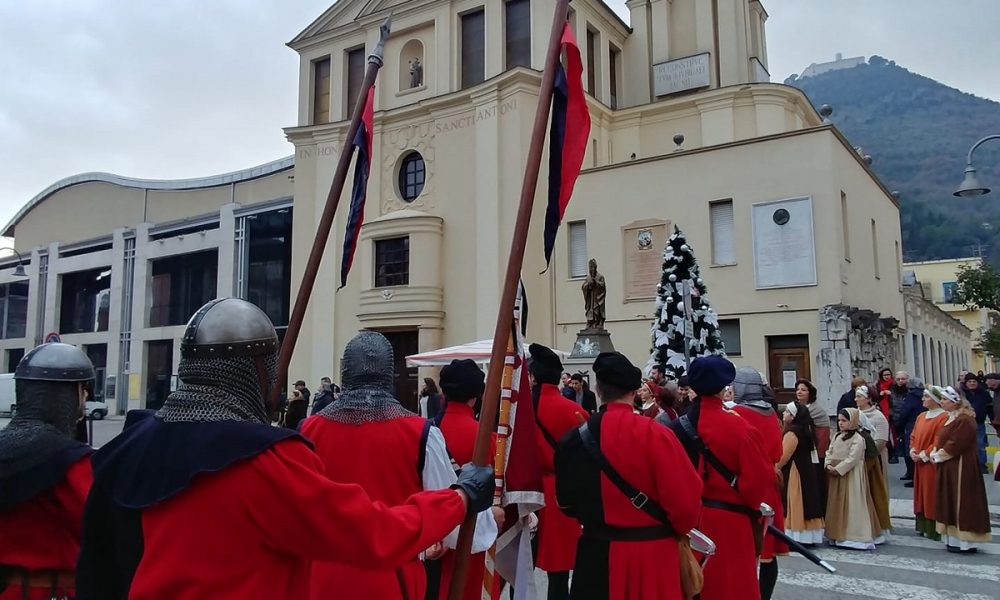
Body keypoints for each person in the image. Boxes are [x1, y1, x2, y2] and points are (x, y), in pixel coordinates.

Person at [76, 298, 495, 599]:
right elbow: (370, 534)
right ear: (258, 368)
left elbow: (100, 570)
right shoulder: (259, 458)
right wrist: (458, 498)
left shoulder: (130, 447)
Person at [300, 332, 498, 600]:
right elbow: (456, 526)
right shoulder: (420, 433)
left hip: (320, 579)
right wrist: (488, 520)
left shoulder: (307, 430)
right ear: (389, 375)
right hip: (391, 578)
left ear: (345, 372)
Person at [554, 352, 703, 600]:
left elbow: (566, 504)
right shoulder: (658, 435)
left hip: (595, 557)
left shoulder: (574, 439)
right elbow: (686, 506)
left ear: (598, 389)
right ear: (634, 392)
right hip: (653, 557)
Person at [667, 356, 773, 600]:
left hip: (688, 520)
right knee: (730, 588)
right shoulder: (741, 429)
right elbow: (757, 485)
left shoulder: (674, 428)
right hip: (730, 521)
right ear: (724, 387)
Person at [0, 343, 95, 600]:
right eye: (83, 391)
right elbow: (102, 525)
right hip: (50, 591)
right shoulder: (70, 463)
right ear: (72, 393)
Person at [431, 359, 504, 600]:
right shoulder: (487, 438)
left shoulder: (426, 431)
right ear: (477, 395)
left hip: (434, 532)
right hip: (473, 533)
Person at [529, 343, 589, 600]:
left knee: (519, 566)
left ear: (533, 376)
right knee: (559, 570)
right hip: (562, 493)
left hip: (527, 491)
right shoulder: (573, 411)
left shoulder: (521, 409)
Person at [729, 367, 786, 600]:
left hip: (748, 487)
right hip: (769, 486)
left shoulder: (736, 414)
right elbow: (778, 451)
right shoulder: (771, 413)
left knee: (746, 550)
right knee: (768, 552)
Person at [931, 387, 993, 553]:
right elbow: (943, 438)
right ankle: (952, 538)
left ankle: (966, 540)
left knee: (963, 500)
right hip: (949, 464)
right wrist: (935, 451)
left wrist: (939, 454)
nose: (941, 402)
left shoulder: (965, 420)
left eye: (944, 399)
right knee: (950, 499)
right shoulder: (950, 418)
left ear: (954, 401)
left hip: (961, 465)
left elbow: (957, 442)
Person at [824, 408, 878, 550]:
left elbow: (853, 458)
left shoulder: (858, 439)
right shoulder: (837, 436)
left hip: (851, 475)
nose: (841, 423)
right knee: (837, 503)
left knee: (852, 503)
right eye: (839, 420)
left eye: (844, 421)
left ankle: (855, 536)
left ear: (853, 421)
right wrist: (828, 464)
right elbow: (829, 451)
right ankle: (836, 533)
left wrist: (839, 469)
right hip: (836, 474)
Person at [776, 402, 825, 545]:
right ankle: (809, 535)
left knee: (796, 500)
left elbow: (783, 456)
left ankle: (796, 534)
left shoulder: (792, 433)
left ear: (793, 416)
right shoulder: (805, 430)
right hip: (806, 470)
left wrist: (775, 467)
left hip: (795, 471)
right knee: (807, 500)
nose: (783, 414)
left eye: (786, 412)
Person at [909, 386, 949, 540]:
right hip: (919, 462)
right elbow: (913, 436)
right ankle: (922, 525)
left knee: (931, 494)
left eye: (926, 396)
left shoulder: (943, 417)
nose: (922, 399)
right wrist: (912, 450)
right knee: (921, 494)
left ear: (935, 399)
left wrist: (924, 454)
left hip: (931, 463)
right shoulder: (921, 416)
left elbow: (939, 440)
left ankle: (934, 528)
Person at [856, 405, 891, 544]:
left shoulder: (866, 436)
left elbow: (873, 452)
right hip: (861, 473)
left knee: (874, 499)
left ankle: (877, 529)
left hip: (869, 473)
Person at [894, 376, 925, 484]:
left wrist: (899, 424)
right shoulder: (924, 395)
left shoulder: (911, 397)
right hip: (922, 424)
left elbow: (905, 412)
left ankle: (913, 476)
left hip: (910, 425)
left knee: (910, 451)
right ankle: (912, 475)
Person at [959, 372, 992, 473]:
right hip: (964, 423)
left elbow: (990, 407)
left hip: (979, 423)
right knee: (965, 444)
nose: (972, 383)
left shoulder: (984, 393)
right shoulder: (962, 394)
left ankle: (982, 465)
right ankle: (968, 464)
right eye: (970, 381)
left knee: (980, 444)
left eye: (974, 381)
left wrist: (993, 419)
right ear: (966, 383)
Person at [888, 371, 910, 465]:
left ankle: (909, 469)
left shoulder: (910, 391)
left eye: (903, 379)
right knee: (895, 440)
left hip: (907, 420)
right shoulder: (891, 391)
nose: (901, 381)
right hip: (894, 419)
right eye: (898, 379)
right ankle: (895, 455)